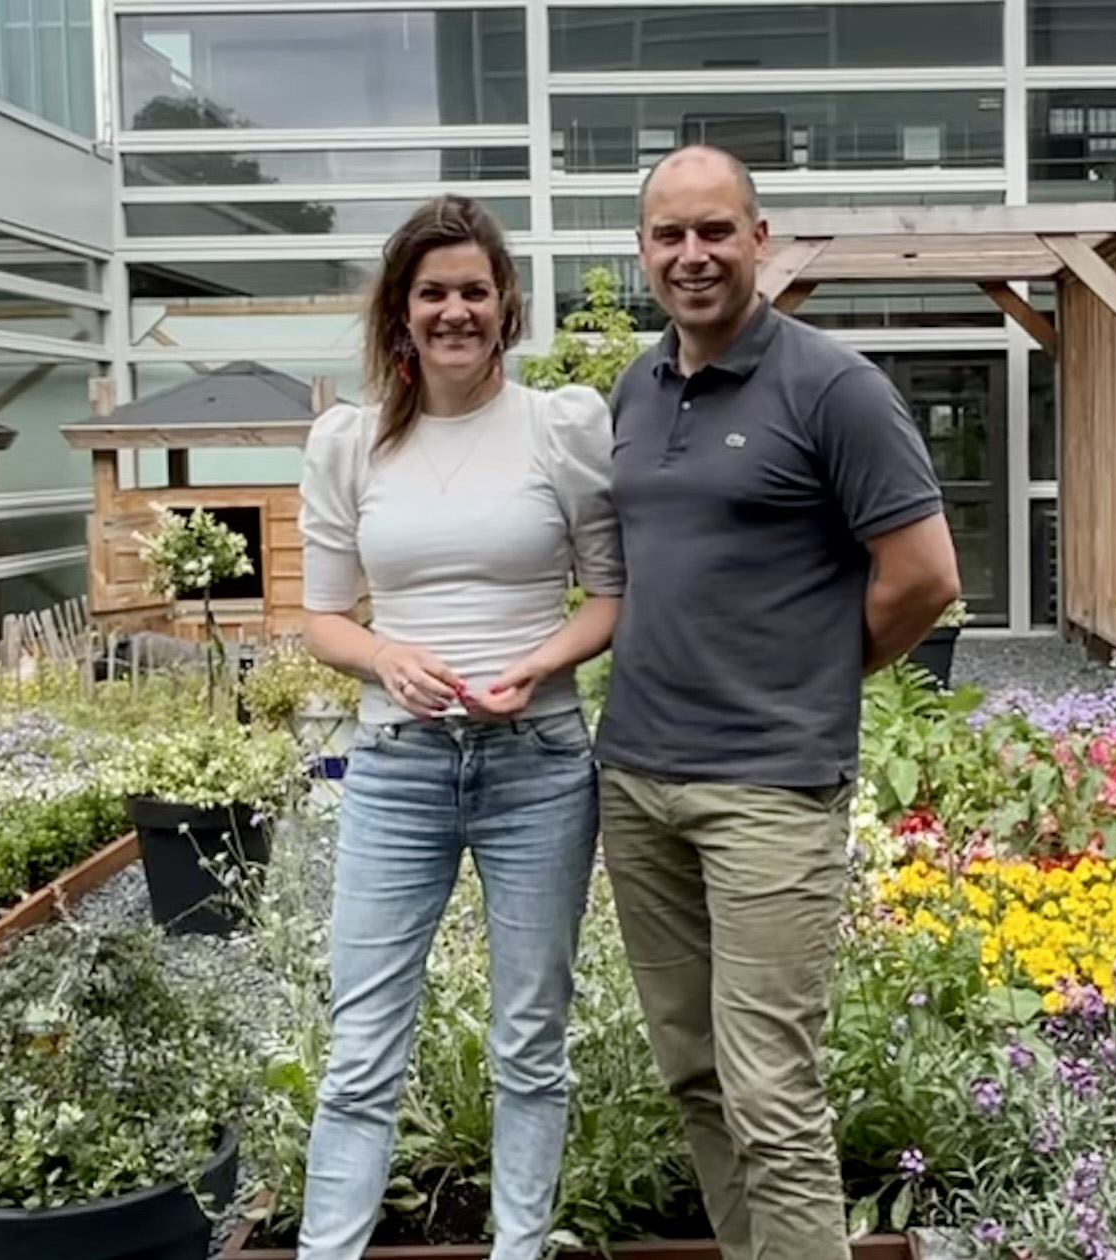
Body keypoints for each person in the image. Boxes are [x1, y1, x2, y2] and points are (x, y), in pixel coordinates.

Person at [593, 145, 961, 1260]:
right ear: (644, 252)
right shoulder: (634, 388)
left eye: (715, 231)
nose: (692, 255)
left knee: (771, 1092)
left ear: (761, 239)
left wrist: (810, 672)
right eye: (669, 235)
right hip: (638, 778)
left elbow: (926, 577)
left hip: (770, 788)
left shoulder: (832, 387)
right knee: (694, 1073)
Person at [293, 194, 623, 1260]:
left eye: (474, 291)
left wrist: (540, 661)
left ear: (506, 303)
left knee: (531, 1041)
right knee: (360, 1046)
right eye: (433, 292)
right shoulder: (348, 444)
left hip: (538, 764)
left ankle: (518, 1248)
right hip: (397, 765)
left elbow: (613, 600)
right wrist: (387, 656)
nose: (455, 311)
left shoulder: (562, 426)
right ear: (401, 310)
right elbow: (323, 620)